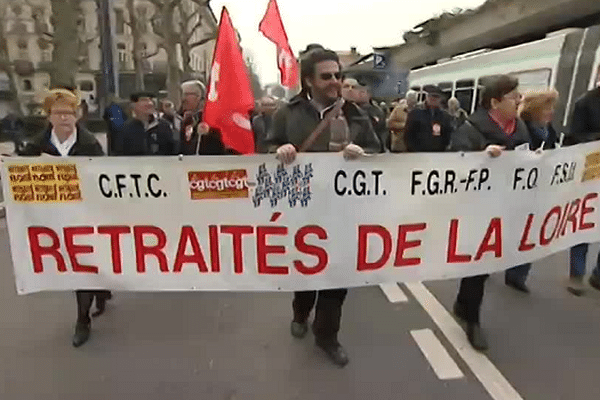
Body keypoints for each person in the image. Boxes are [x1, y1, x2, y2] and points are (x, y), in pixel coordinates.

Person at [267, 46, 380, 367]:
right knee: (305, 273)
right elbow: (268, 145)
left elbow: (378, 148)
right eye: (327, 76)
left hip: (345, 210)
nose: (335, 81)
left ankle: (327, 336)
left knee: (338, 277)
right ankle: (300, 313)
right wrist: (281, 148)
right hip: (303, 210)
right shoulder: (287, 113)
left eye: (338, 75)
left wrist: (365, 150)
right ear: (308, 80)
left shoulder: (356, 113)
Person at [18, 88, 110, 348]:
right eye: (59, 113)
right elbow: (20, 173)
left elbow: (103, 174)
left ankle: (83, 320)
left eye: (70, 113)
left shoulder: (90, 143)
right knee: (71, 263)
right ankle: (101, 290)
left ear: (78, 115)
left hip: (85, 213)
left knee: (84, 265)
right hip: (52, 215)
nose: (65, 118)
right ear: (49, 116)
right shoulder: (37, 145)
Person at [450, 75, 529, 351]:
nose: (519, 100)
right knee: (478, 261)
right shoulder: (471, 129)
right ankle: (472, 319)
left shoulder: (519, 128)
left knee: (487, 262)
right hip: (477, 207)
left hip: (505, 204)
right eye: (513, 96)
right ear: (495, 102)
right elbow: (454, 165)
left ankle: (463, 304)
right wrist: (480, 157)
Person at [564, 80, 600, 295]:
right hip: (591, 168)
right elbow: (575, 136)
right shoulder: (585, 102)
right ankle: (576, 274)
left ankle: (598, 275)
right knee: (585, 222)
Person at [179, 80, 226, 155]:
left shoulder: (212, 119)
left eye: (187, 94)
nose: (183, 99)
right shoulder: (187, 121)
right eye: (182, 95)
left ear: (199, 96)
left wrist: (209, 133)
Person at [405, 85, 454, 153]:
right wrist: (413, 150)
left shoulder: (444, 116)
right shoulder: (416, 113)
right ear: (427, 97)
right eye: (431, 96)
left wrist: (443, 148)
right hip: (419, 153)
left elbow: (447, 134)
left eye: (436, 97)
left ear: (440, 99)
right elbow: (408, 134)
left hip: (438, 153)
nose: (433, 99)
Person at [356, 84, 388, 152]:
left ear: (369, 95)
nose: (359, 95)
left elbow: (382, 129)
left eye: (362, 92)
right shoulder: (353, 109)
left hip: (375, 146)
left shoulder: (377, 110)